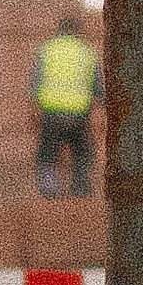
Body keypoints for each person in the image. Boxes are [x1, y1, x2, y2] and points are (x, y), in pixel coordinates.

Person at [31, 14, 101, 199]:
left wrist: (33, 108)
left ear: (59, 30)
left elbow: (35, 81)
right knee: (82, 150)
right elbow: (98, 85)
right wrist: (102, 105)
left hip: (51, 111)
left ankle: (49, 188)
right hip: (79, 113)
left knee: (48, 149)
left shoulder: (46, 49)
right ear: (78, 31)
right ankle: (81, 186)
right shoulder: (87, 51)